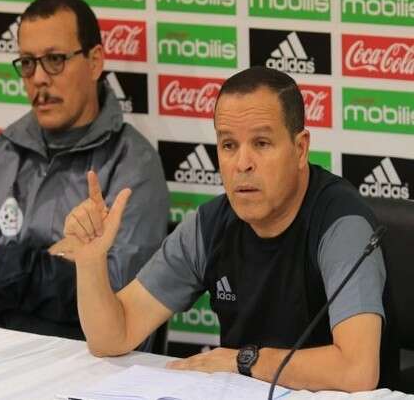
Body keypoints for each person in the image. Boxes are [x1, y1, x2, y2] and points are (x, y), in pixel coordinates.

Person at [64, 66, 389, 392]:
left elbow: (356, 371)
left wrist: (243, 360)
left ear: (300, 148)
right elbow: (113, 337)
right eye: (229, 145)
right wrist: (90, 262)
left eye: (261, 143)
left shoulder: (342, 225)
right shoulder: (209, 226)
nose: (242, 163)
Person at [0, 0, 169, 343]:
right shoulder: (1, 152)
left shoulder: (133, 164)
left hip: (88, 366)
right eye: (28, 63)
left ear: (94, 62)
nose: (39, 78)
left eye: (55, 60)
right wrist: (53, 264)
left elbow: (116, 298)